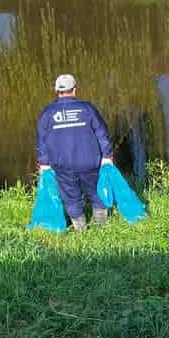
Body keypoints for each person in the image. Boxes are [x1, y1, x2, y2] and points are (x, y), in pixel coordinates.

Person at [36, 73, 114, 231]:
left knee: (71, 199)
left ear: (56, 90)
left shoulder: (47, 113)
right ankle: (101, 229)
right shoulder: (88, 109)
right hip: (90, 162)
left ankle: (81, 232)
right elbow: (102, 133)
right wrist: (107, 155)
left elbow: (42, 142)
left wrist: (44, 163)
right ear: (75, 90)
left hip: (62, 165)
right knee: (97, 193)